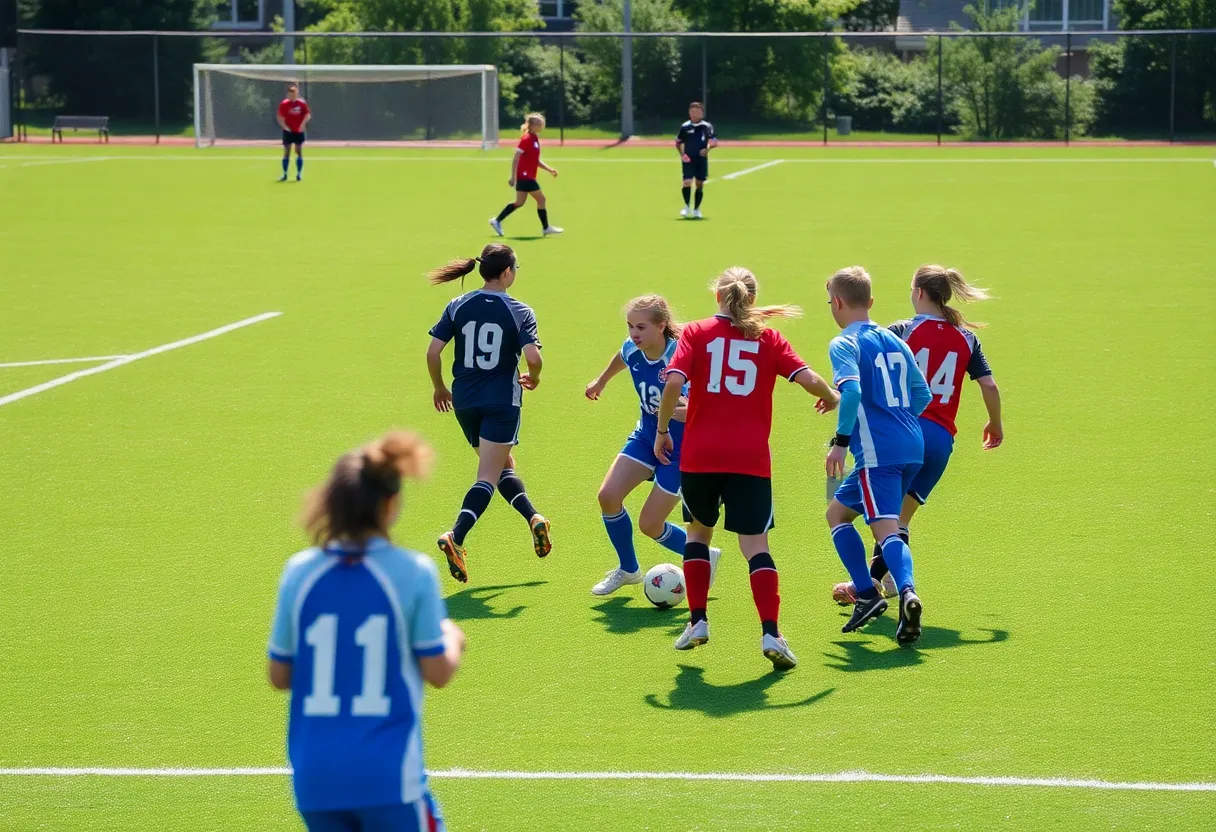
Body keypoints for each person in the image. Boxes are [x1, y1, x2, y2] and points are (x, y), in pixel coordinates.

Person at [267, 430, 464, 832]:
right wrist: (452, 635)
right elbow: (439, 672)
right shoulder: (412, 572)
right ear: (390, 505)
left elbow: (279, 675)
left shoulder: (299, 572)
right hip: (387, 778)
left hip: (316, 781)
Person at [654, 268, 838, 670]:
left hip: (701, 457)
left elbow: (672, 385)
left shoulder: (697, 332)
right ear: (752, 298)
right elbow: (808, 379)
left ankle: (698, 622)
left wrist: (663, 429)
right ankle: (771, 632)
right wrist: (831, 396)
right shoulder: (768, 337)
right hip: (750, 460)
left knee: (698, 533)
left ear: (717, 294)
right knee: (755, 546)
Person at [832, 265, 1003, 606]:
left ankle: (869, 587)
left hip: (902, 430)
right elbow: (989, 384)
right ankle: (887, 581)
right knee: (899, 518)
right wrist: (994, 423)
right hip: (941, 439)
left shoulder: (902, 331)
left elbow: (873, 374)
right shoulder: (967, 337)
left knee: (873, 515)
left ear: (920, 293)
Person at [426, 244, 551, 584]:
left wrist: (439, 388)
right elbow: (534, 359)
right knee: (488, 475)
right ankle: (456, 536)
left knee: (502, 466)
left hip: (465, 400)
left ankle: (534, 517)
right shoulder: (519, 310)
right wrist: (534, 377)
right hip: (501, 401)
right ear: (507, 272)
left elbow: (433, 352)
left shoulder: (457, 304)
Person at [823, 266, 932, 646]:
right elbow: (923, 396)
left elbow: (851, 392)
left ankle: (898, 592)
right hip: (912, 445)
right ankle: (866, 589)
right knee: (837, 512)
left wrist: (840, 441)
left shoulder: (843, 343)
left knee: (885, 529)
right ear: (870, 302)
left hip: (877, 453)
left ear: (836, 302)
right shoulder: (895, 340)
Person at [584, 295, 720, 596]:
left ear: (661, 326)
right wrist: (601, 381)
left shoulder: (680, 357)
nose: (634, 333)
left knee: (650, 524)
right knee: (608, 496)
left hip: (680, 450)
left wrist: (684, 410)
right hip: (647, 437)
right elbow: (622, 355)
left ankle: (702, 555)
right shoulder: (634, 348)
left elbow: (700, 406)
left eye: (641, 327)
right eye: (631, 326)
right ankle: (629, 570)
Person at [490, 113, 563, 237]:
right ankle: (546, 228)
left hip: (527, 176)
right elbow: (516, 157)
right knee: (541, 199)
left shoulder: (535, 140)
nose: (542, 126)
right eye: (540, 124)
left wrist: (549, 169)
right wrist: (513, 176)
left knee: (519, 202)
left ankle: (496, 221)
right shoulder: (527, 139)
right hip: (525, 176)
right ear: (533, 125)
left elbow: (535, 160)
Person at [675, 102, 717, 219]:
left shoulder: (707, 127)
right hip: (688, 159)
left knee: (699, 183)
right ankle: (687, 206)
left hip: (701, 160)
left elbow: (714, 142)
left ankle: (697, 209)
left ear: (702, 113)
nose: (694, 114)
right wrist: (682, 155)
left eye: (697, 112)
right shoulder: (685, 127)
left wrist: (707, 149)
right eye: (692, 111)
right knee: (687, 182)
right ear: (689, 113)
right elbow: (678, 142)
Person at [277, 83, 310, 182]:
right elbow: (279, 117)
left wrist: (302, 124)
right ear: (288, 93)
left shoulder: (302, 104)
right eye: (290, 93)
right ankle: (285, 174)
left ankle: (299, 174)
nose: (292, 95)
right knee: (286, 152)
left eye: (294, 92)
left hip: (298, 131)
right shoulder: (284, 104)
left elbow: (307, 114)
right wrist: (285, 127)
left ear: (297, 93)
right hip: (288, 131)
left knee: (298, 151)